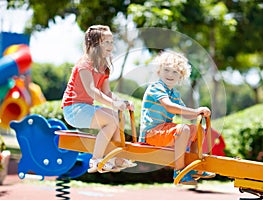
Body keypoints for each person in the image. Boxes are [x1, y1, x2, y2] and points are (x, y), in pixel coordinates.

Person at [61, 25, 136, 173]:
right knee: (110, 120)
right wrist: (115, 104)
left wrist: (123, 102)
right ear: (94, 44)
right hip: (73, 109)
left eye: (111, 42)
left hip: (86, 108)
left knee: (119, 118)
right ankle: (96, 160)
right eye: (106, 42)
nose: (111, 45)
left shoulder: (104, 67)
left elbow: (107, 93)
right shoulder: (84, 64)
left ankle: (114, 157)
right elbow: (92, 91)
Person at [139, 51, 215, 185]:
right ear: (158, 71)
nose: (170, 74)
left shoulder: (174, 93)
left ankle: (193, 167)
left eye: (175, 72)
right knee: (183, 129)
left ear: (181, 76)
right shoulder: (156, 88)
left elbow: (185, 113)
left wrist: (200, 111)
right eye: (166, 70)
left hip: (163, 131)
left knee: (199, 130)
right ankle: (179, 170)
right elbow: (169, 107)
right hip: (151, 133)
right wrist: (195, 111)